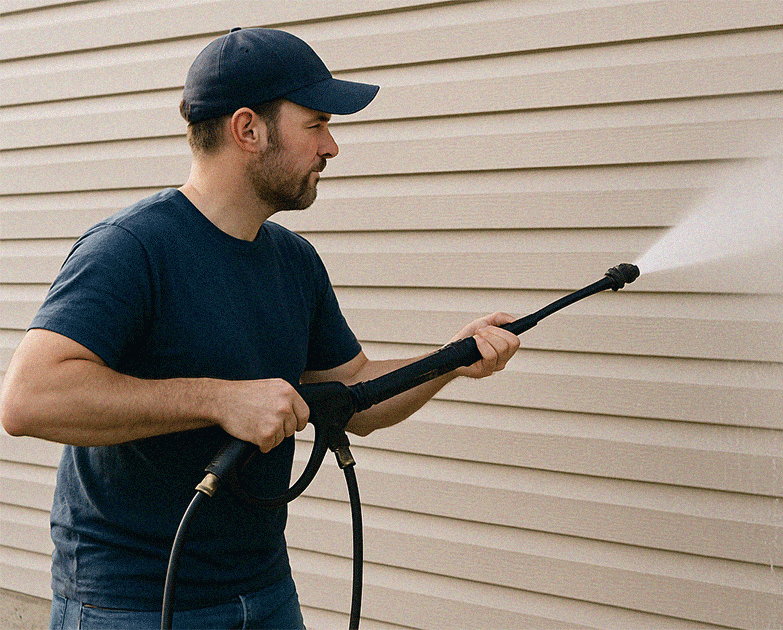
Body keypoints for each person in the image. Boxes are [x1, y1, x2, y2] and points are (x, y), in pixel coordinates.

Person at [0, 27, 519, 630]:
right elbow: (29, 399)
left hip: (266, 592)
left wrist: (452, 359)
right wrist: (219, 399)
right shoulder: (131, 248)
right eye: (316, 124)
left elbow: (356, 393)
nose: (331, 146)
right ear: (248, 129)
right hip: (134, 603)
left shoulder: (294, 261)